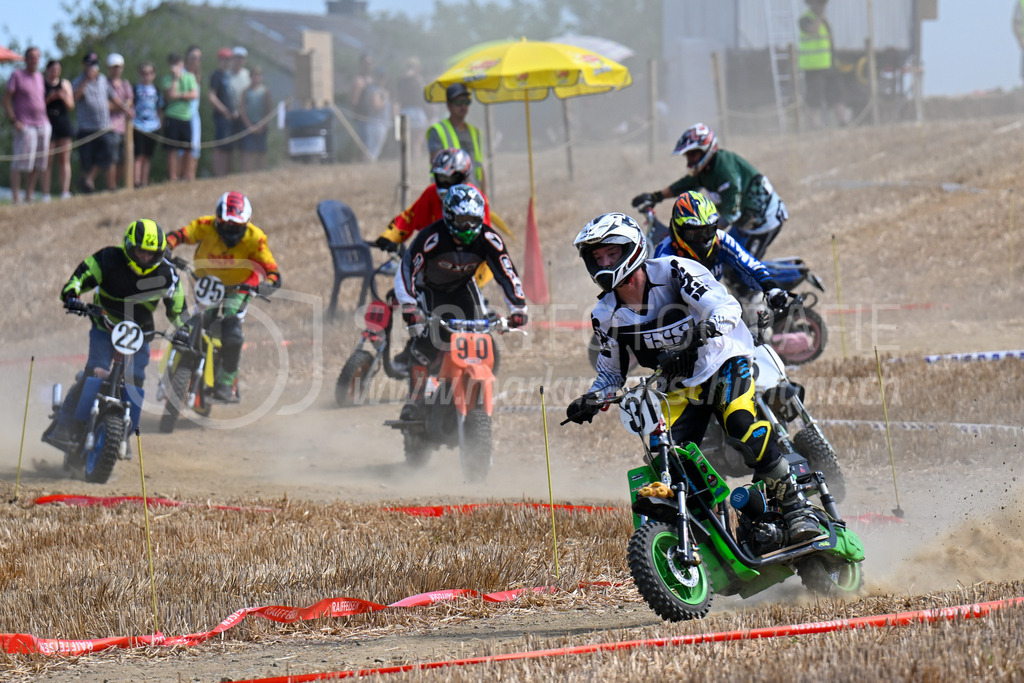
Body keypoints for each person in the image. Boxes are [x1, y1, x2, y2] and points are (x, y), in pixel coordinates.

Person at [565, 212, 820, 543]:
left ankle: (797, 507)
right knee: (665, 455)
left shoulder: (673, 271)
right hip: (680, 384)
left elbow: (727, 308)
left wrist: (700, 333)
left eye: (611, 253)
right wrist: (591, 398)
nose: (604, 263)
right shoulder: (605, 314)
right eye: (597, 257)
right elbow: (611, 372)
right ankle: (708, 531)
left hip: (724, 359)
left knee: (741, 423)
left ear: (633, 248)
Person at [43, 219, 186, 448]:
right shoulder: (108, 258)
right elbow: (81, 276)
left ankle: (126, 435)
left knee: (135, 380)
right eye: (141, 251)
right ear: (129, 246)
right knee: (97, 371)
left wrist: (184, 328)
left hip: (139, 332)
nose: (145, 258)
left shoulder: (167, 274)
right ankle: (65, 422)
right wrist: (72, 294)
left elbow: (178, 307)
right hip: (104, 325)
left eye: (151, 254)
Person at [394, 184, 527, 420]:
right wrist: (409, 306)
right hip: (429, 289)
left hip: (463, 288)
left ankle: (470, 390)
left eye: (473, 220)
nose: (468, 227)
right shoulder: (431, 236)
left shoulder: (488, 238)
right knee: (426, 342)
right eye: (462, 219)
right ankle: (414, 401)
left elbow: (506, 272)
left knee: (479, 335)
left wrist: (517, 308)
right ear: (449, 216)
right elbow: (407, 269)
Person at [165, 191, 281, 401]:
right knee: (197, 322)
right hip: (207, 283)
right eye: (226, 225)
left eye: (236, 227)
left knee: (232, 332)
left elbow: (273, 271)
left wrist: (268, 285)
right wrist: (166, 247)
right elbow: (179, 235)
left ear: (246, 223)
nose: (230, 231)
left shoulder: (256, 238)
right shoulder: (204, 225)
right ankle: (174, 367)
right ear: (217, 220)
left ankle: (227, 383)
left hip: (240, 288)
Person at [631, 122, 787, 260]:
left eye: (693, 154)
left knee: (743, 273)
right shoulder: (705, 170)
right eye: (688, 155)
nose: (690, 159)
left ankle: (769, 290)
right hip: (744, 223)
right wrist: (656, 196)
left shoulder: (723, 170)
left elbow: (731, 212)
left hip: (765, 221)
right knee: (724, 260)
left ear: (706, 149)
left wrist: (700, 235)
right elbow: (684, 185)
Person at [653, 190, 788, 309]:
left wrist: (770, 287)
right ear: (678, 230)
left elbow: (750, 264)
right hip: (685, 317)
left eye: (708, 231)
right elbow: (659, 301)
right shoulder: (664, 257)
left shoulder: (721, 239)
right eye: (694, 234)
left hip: (715, 308)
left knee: (754, 318)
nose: (703, 239)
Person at [3, 46, 50, 204]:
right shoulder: (17, 75)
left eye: (37, 57)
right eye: (31, 57)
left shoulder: (40, 77)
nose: (34, 59)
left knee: (38, 162)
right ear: (26, 58)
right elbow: (6, 100)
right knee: (19, 162)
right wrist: (14, 121)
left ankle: (29, 195)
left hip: (42, 124)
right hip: (25, 125)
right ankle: (16, 197)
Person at [72, 51, 121, 194]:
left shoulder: (103, 80)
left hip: (104, 126)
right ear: (84, 65)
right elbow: (76, 97)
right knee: (86, 161)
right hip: (86, 128)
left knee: (108, 154)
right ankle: (87, 188)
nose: (93, 67)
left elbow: (113, 97)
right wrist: (86, 80)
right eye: (90, 65)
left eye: (95, 64)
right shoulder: (78, 81)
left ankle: (89, 179)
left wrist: (124, 108)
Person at [426, 82, 486, 195]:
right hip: (449, 197)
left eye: (466, 102)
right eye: (459, 102)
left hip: (473, 197)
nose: (463, 106)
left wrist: (484, 200)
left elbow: (479, 168)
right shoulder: (438, 131)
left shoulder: (475, 133)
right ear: (449, 104)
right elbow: (437, 167)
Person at [799, 0, 849, 127]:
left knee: (837, 95)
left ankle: (843, 123)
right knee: (814, 99)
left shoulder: (825, 21)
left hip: (829, 65)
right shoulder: (805, 19)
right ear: (811, 4)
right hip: (814, 67)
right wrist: (820, 16)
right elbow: (812, 30)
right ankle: (813, 126)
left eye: (824, 4)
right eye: (819, 3)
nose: (822, 7)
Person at [160, 52, 198, 181]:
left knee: (187, 148)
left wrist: (179, 95)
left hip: (186, 117)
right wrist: (176, 79)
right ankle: (173, 176)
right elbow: (169, 95)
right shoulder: (166, 79)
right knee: (172, 149)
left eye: (178, 63)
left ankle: (186, 175)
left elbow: (194, 95)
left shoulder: (190, 77)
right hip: (171, 117)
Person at [42, 57, 74, 201]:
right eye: (53, 70)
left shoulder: (65, 84)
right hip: (48, 123)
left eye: (57, 70)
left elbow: (71, 105)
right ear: (47, 70)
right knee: (47, 161)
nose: (55, 72)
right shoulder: (42, 84)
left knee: (64, 159)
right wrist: (49, 99)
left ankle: (65, 192)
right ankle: (46, 194)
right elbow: (38, 105)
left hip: (63, 123)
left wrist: (62, 96)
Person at [105, 53, 134, 191]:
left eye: (119, 67)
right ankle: (111, 186)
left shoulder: (125, 84)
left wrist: (122, 106)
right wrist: (123, 106)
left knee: (124, 158)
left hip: (125, 127)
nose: (116, 70)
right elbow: (107, 105)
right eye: (114, 67)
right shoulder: (104, 84)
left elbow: (130, 101)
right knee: (112, 159)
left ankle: (116, 183)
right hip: (110, 126)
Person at [132, 61, 162, 188]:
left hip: (153, 126)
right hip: (138, 125)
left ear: (153, 74)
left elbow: (160, 108)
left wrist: (160, 123)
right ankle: (136, 181)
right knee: (138, 155)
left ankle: (144, 182)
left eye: (149, 73)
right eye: (144, 73)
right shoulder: (135, 89)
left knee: (147, 156)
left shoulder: (156, 90)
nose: (147, 76)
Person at [209, 47, 236, 177]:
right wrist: (224, 110)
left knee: (229, 147)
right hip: (221, 116)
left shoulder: (228, 76)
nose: (227, 62)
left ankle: (226, 173)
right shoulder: (217, 75)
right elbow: (211, 96)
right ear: (220, 60)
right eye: (225, 59)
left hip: (231, 117)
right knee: (220, 147)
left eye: (229, 59)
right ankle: (218, 174)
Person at [395, 56, 428, 160]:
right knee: (416, 144)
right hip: (417, 112)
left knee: (402, 144)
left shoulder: (400, 80)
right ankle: (415, 168)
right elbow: (424, 97)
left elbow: (396, 98)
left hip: (403, 111)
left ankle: (402, 169)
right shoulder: (419, 79)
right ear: (417, 67)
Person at [239, 65, 271, 172]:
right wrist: (249, 126)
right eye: (254, 75)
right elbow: (242, 110)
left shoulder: (265, 91)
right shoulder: (246, 91)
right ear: (250, 76)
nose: (256, 78)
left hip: (262, 124)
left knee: (262, 150)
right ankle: (249, 172)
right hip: (249, 124)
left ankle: (262, 171)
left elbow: (268, 109)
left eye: (258, 75)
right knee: (248, 151)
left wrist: (263, 125)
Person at [182, 45, 203, 181]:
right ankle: (180, 177)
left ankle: (191, 177)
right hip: (183, 116)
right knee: (181, 149)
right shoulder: (181, 73)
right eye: (193, 58)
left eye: (198, 58)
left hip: (194, 116)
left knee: (195, 148)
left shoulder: (197, 75)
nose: (195, 61)